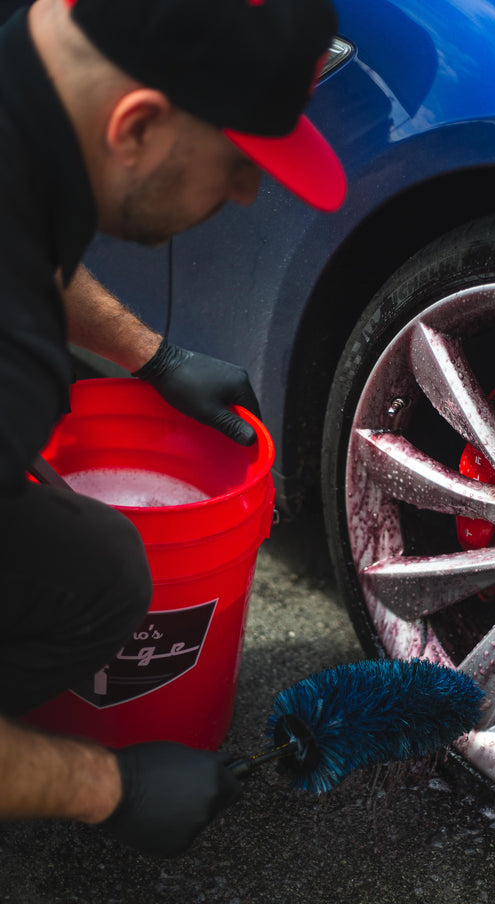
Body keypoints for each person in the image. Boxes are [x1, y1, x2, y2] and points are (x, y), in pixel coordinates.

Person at [0, 0, 346, 857]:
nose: (246, 190)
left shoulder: (27, 86)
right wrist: (102, 787)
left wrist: (149, 356)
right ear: (138, 125)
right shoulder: (10, 372)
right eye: (235, 159)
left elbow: (25, 237)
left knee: (95, 570)